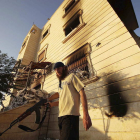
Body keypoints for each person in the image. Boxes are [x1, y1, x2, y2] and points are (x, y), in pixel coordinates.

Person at [48, 62, 92, 140]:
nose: (57, 71)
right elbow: (62, 100)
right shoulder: (60, 83)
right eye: (55, 69)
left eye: (58, 68)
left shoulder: (72, 77)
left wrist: (86, 115)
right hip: (61, 117)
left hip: (70, 116)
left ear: (64, 68)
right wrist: (51, 104)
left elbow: (82, 92)